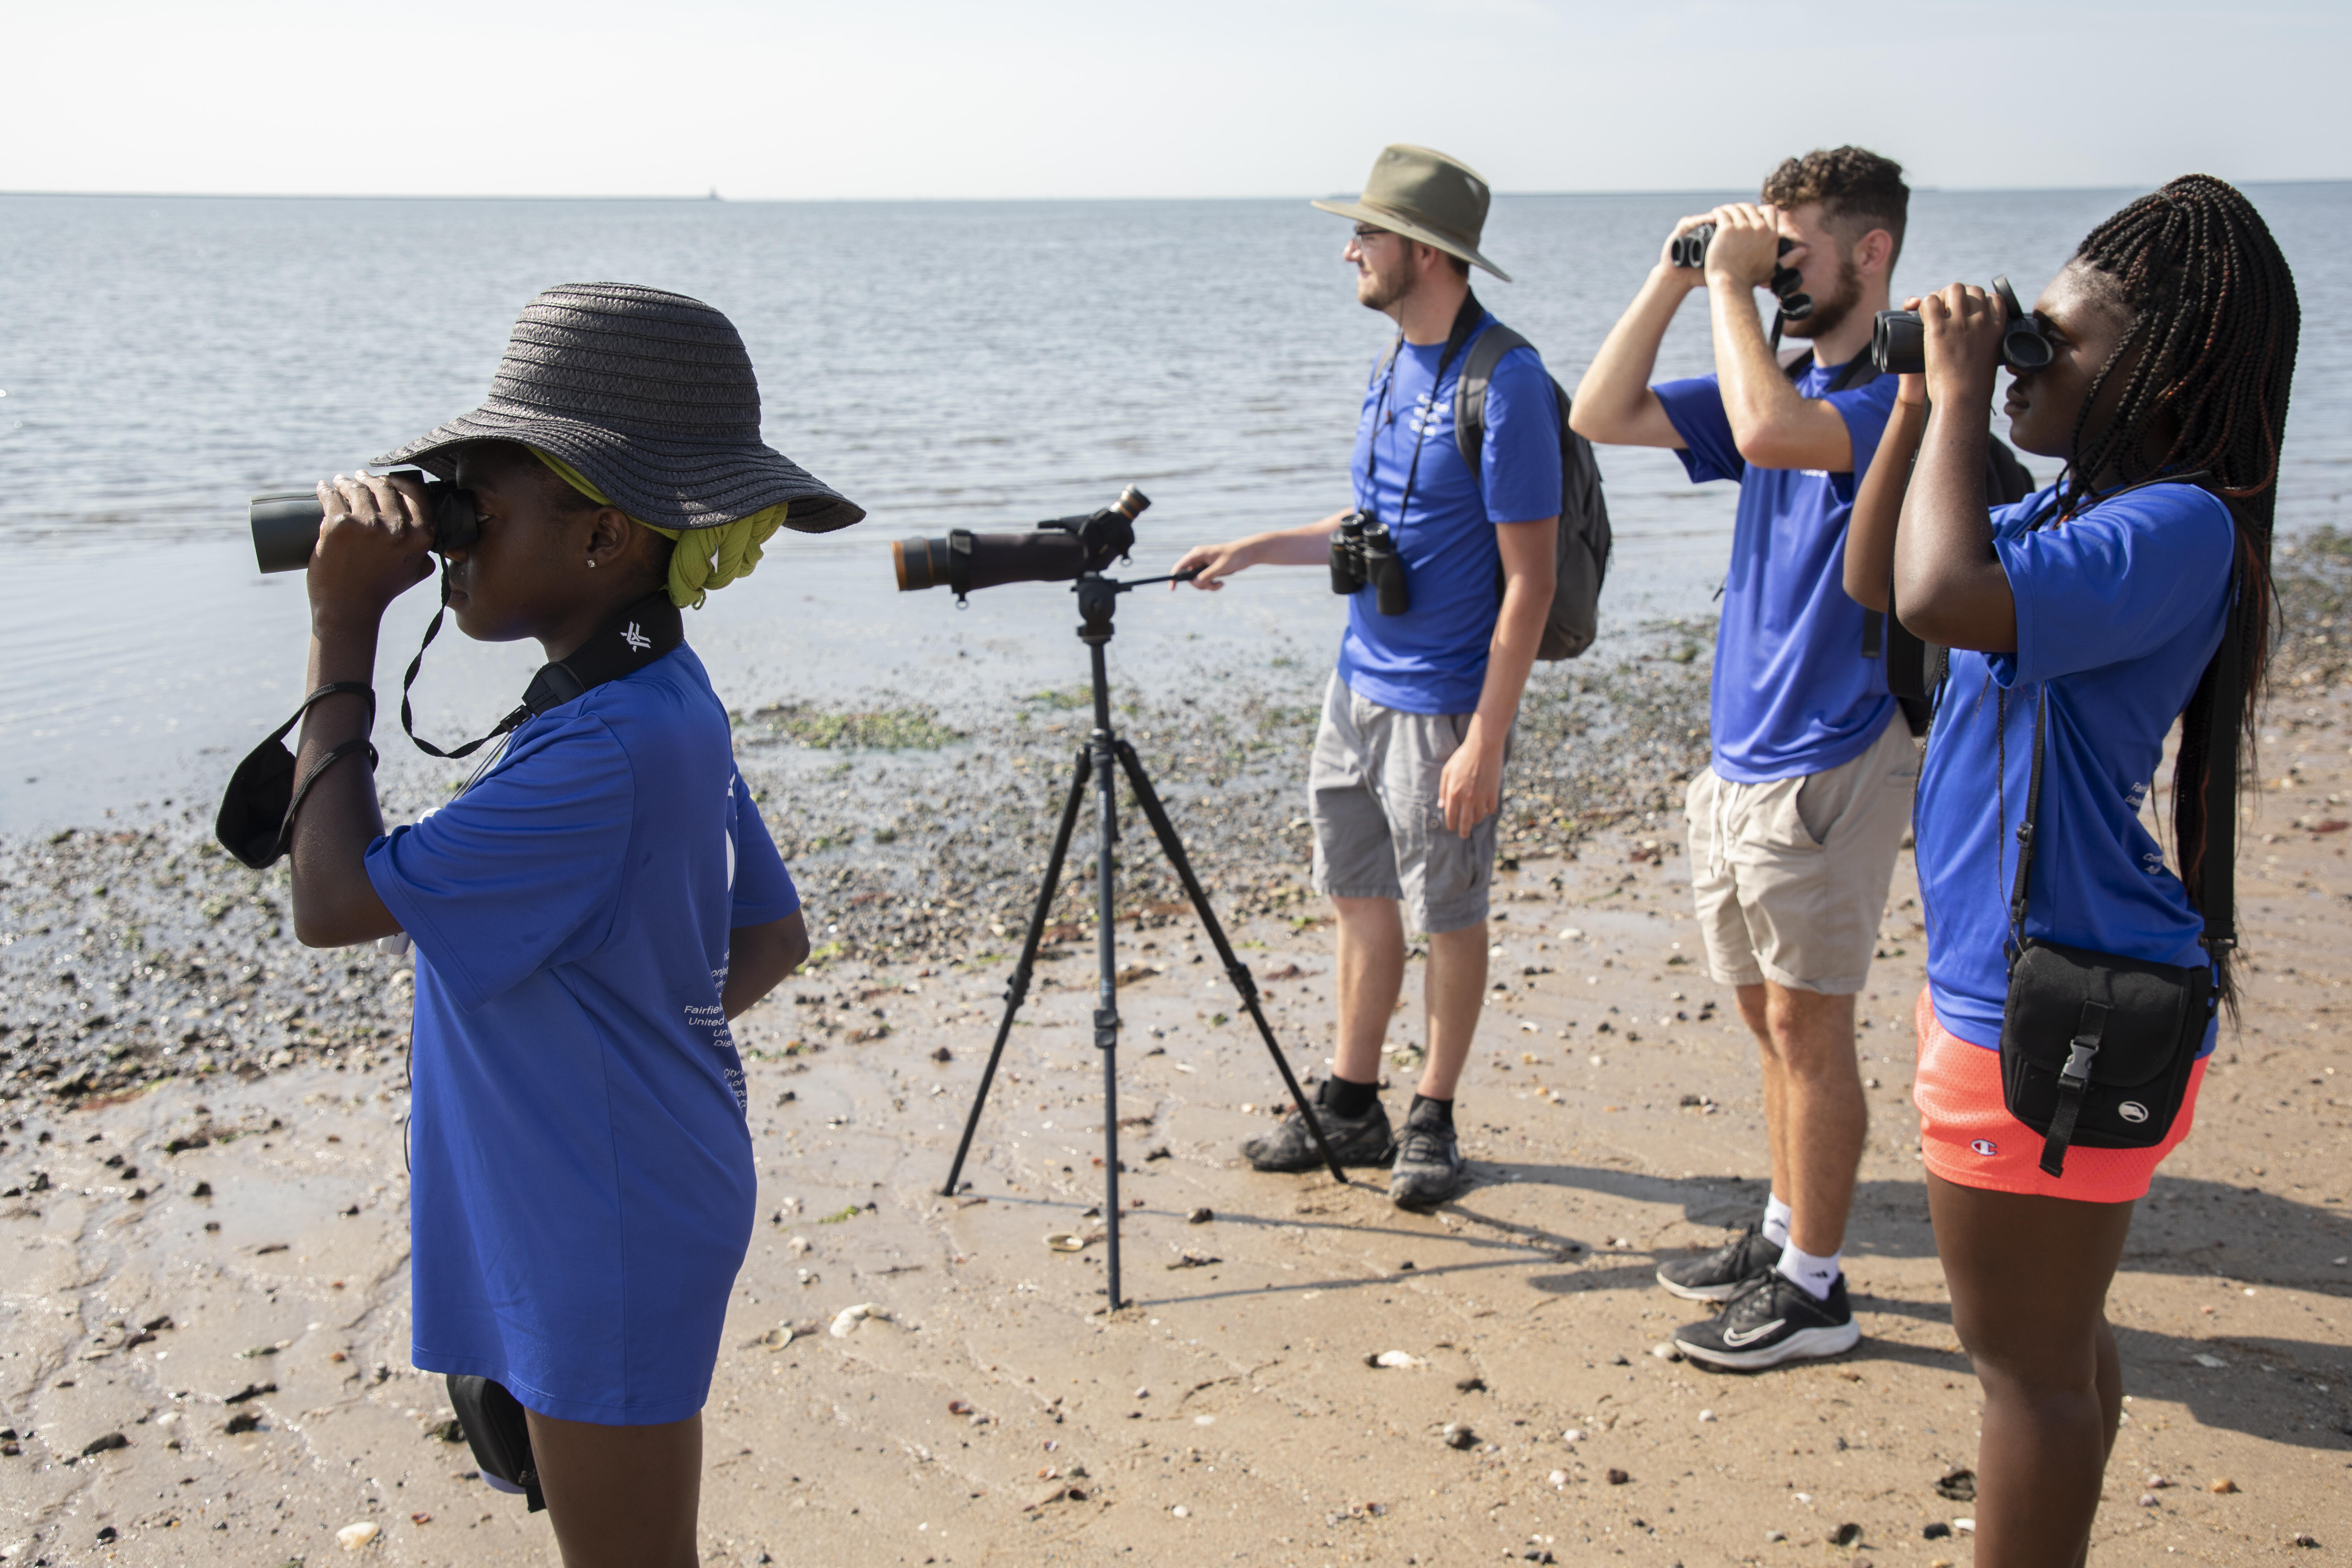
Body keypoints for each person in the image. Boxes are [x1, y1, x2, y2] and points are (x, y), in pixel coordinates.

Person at [281, 282, 862, 1568]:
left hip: (597, 1224)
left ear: (604, 539)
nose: (448, 541)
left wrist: (340, 633)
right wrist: (625, 1050)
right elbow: (770, 937)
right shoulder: (658, 693)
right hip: (614, 1191)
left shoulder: (598, 751)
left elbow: (331, 901)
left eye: (475, 509)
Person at [1877, 176, 2296, 1567]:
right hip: (2006, 983)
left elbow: (1944, 599)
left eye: (2043, 342)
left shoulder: (2176, 525)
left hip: (2055, 998)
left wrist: (1951, 398)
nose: (2013, 364)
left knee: (2025, 1376)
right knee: (2052, 1350)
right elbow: (1884, 584)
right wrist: (1912, 403)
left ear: (2159, 368)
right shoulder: (2069, 517)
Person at [1570, 147, 1913, 1368]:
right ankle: (1781, 1236)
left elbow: (1773, 436)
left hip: (1833, 746)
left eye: (1796, 251)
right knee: (1768, 1021)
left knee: (1813, 1029)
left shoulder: (1893, 395)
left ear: (1870, 253)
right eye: (1768, 252)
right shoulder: (1783, 375)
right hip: (1743, 753)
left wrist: (1725, 291)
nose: (1772, 275)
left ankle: (1816, 1293)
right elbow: (1598, 412)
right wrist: (1678, 273)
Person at [1173, 144, 1560, 1207]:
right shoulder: (1392, 362)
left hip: (1442, 708)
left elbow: (1530, 581)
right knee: (1356, 898)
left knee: (1451, 913)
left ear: (1425, 253)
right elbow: (1374, 529)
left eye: (1367, 234)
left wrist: (1485, 737)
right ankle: (1352, 1103)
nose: (1349, 249)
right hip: (1354, 689)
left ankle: (1432, 1117)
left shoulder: (1508, 383)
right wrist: (1253, 547)